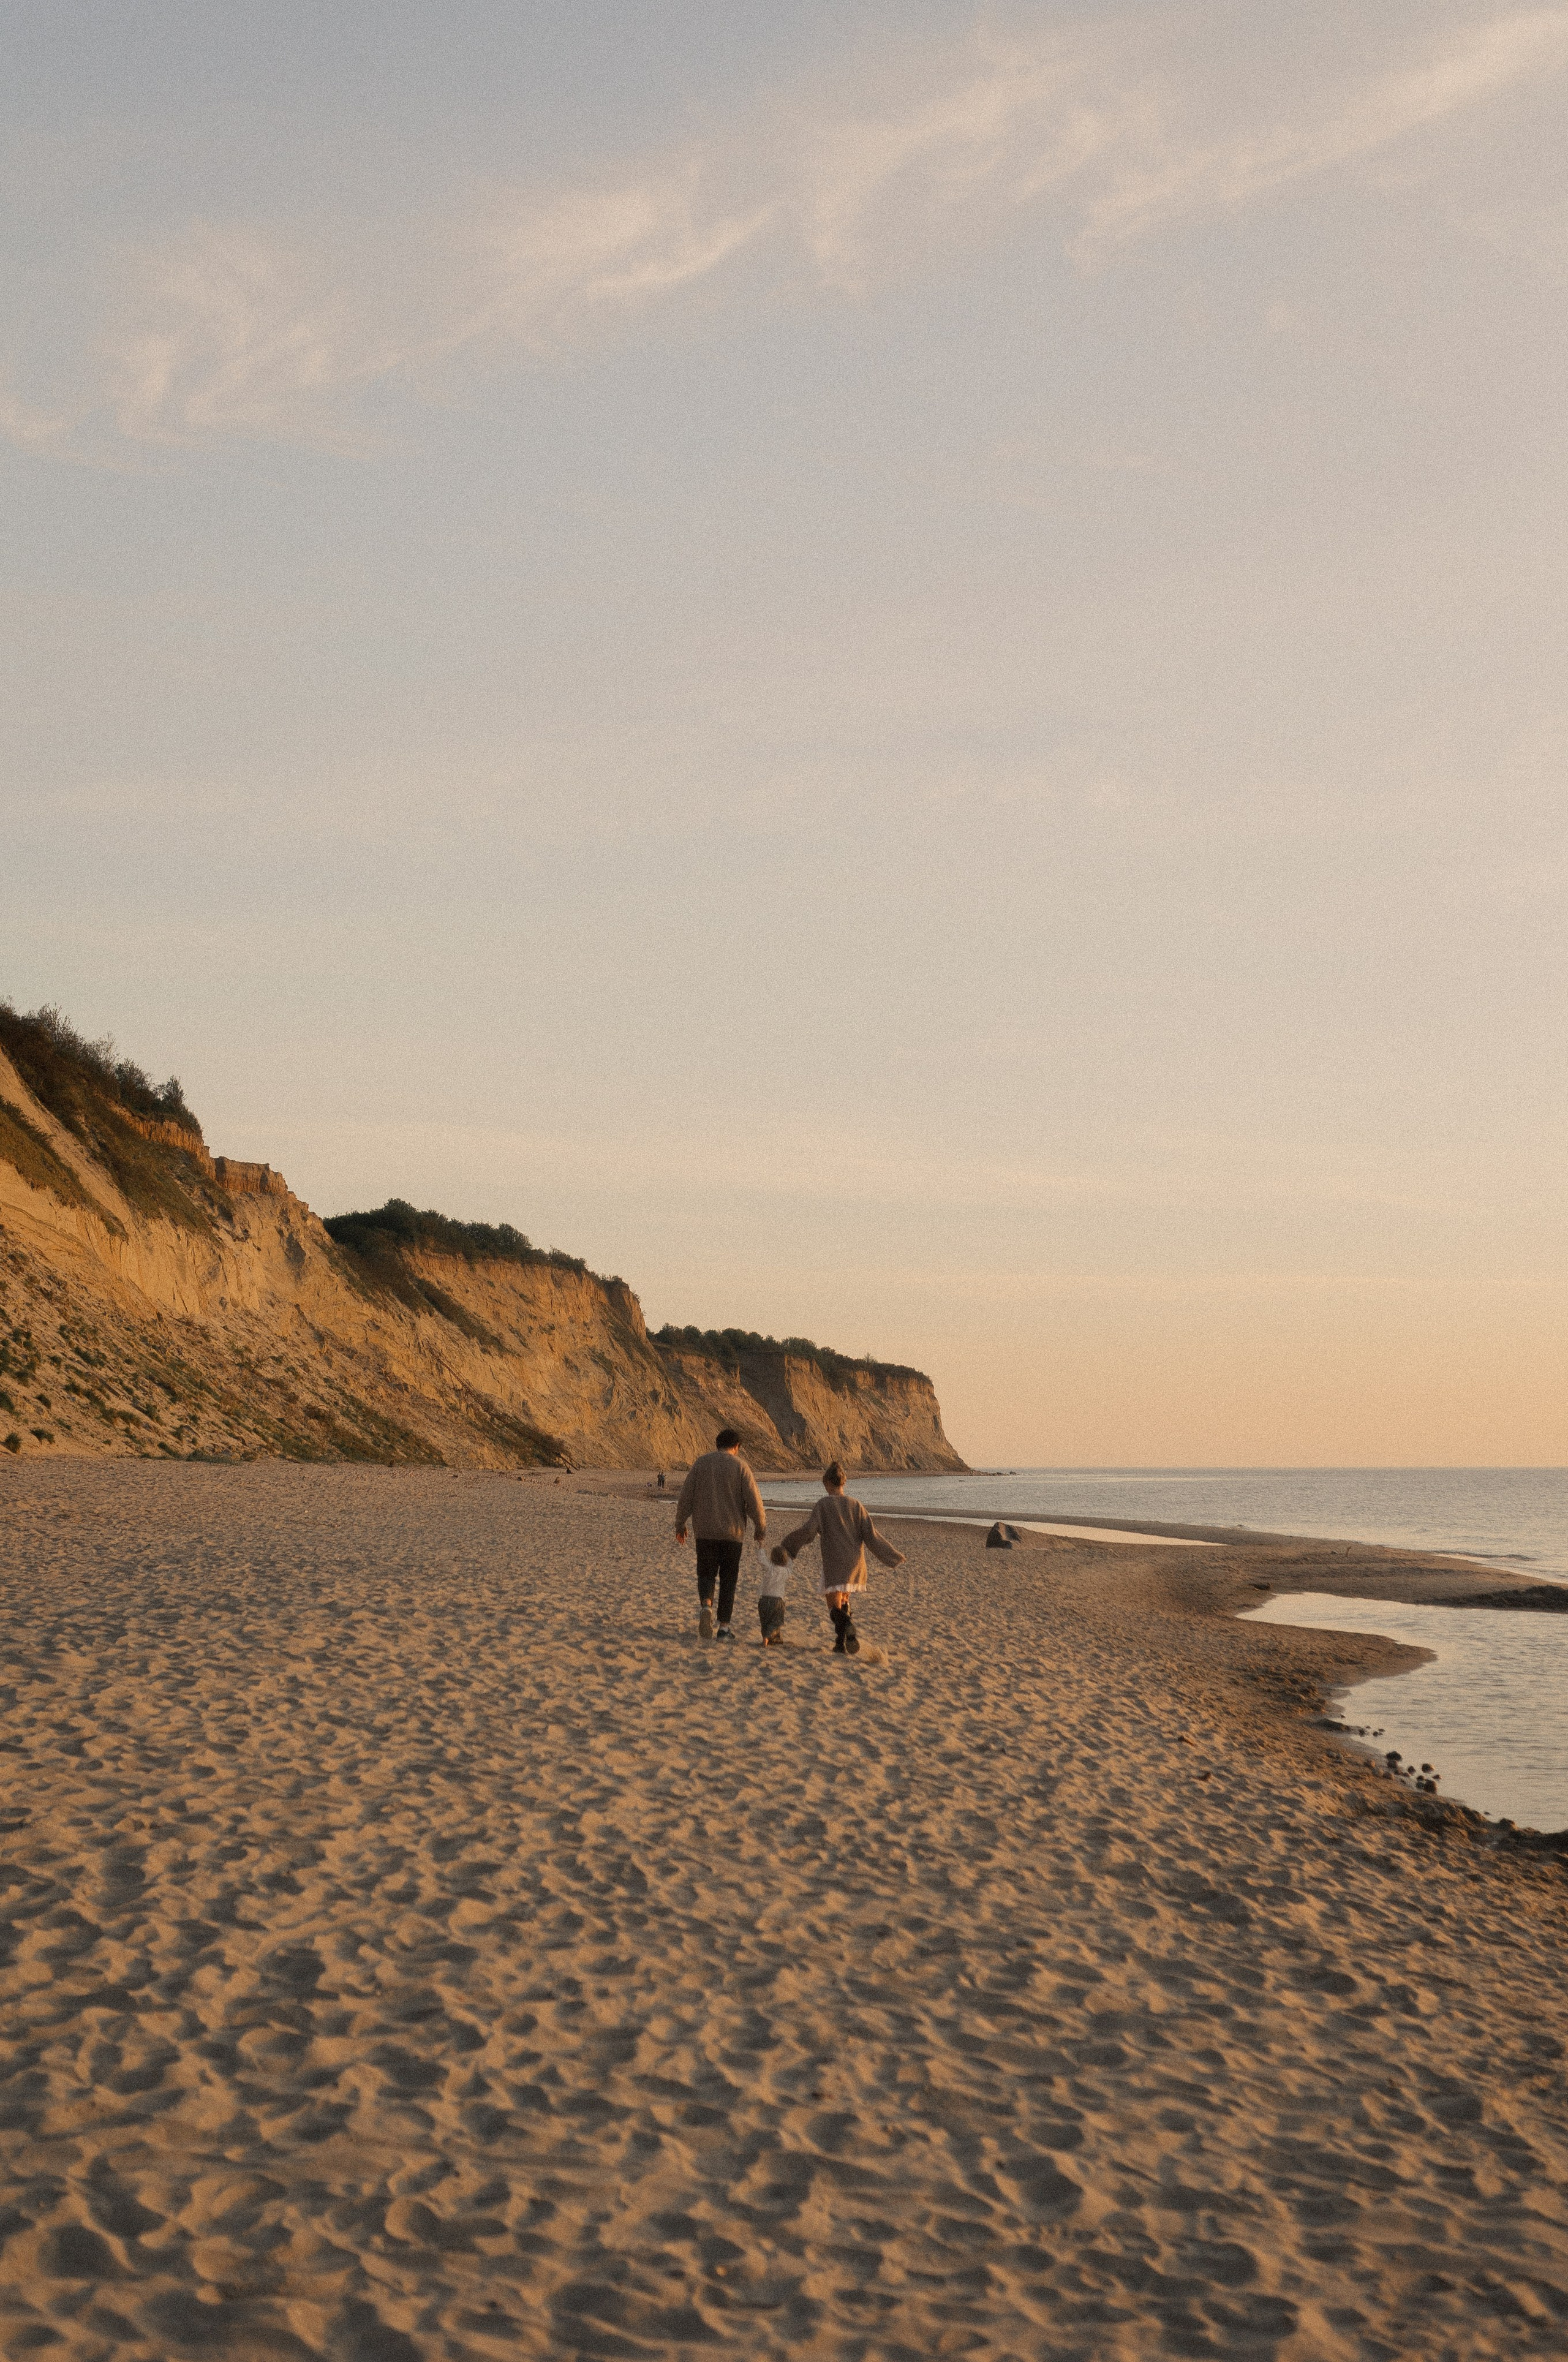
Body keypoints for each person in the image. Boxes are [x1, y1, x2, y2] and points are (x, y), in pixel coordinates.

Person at [772, 1462, 904, 1655]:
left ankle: (848, 1625)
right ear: (844, 1482)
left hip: (834, 1563)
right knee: (844, 1602)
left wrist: (788, 1545)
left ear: (827, 1482)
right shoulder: (856, 1505)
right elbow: (872, 1536)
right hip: (855, 1564)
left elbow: (809, 1531)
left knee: (834, 1607)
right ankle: (840, 1644)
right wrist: (892, 1557)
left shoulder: (823, 1504)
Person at [674, 1428, 767, 1642]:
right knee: (728, 1580)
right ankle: (724, 1628)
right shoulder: (741, 1467)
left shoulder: (701, 1464)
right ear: (737, 1447)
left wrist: (680, 1524)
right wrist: (760, 1528)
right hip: (732, 1535)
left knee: (706, 1573)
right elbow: (754, 1501)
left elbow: (686, 1496)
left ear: (717, 1444)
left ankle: (706, 1606)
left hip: (705, 1532)